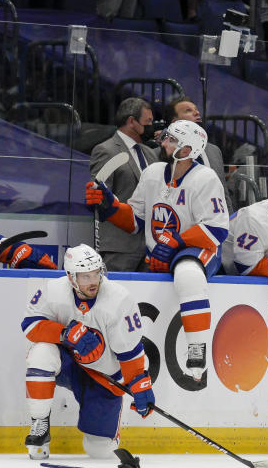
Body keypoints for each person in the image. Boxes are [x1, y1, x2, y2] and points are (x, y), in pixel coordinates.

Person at [84, 120, 228, 382]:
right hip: (160, 253)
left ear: (187, 149)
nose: (163, 143)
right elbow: (136, 221)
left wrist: (176, 242)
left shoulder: (205, 178)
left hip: (197, 250)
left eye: (171, 140)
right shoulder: (153, 174)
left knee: (188, 275)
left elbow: (217, 230)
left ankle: (197, 348)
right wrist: (110, 206)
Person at [19, 245, 155, 461]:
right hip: (70, 365)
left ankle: (109, 432)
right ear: (71, 277)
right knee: (41, 353)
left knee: (99, 451)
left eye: (96, 274)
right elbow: (29, 325)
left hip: (105, 378)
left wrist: (139, 384)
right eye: (85, 276)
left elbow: (130, 351)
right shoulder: (53, 291)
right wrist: (64, 333)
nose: (93, 281)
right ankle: (40, 423)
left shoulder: (119, 299)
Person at [89, 98, 158, 273]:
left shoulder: (150, 154)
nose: (152, 125)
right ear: (131, 121)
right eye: (148, 121)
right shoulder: (106, 150)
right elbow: (100, 199)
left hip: (150, 247)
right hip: (119, 246)